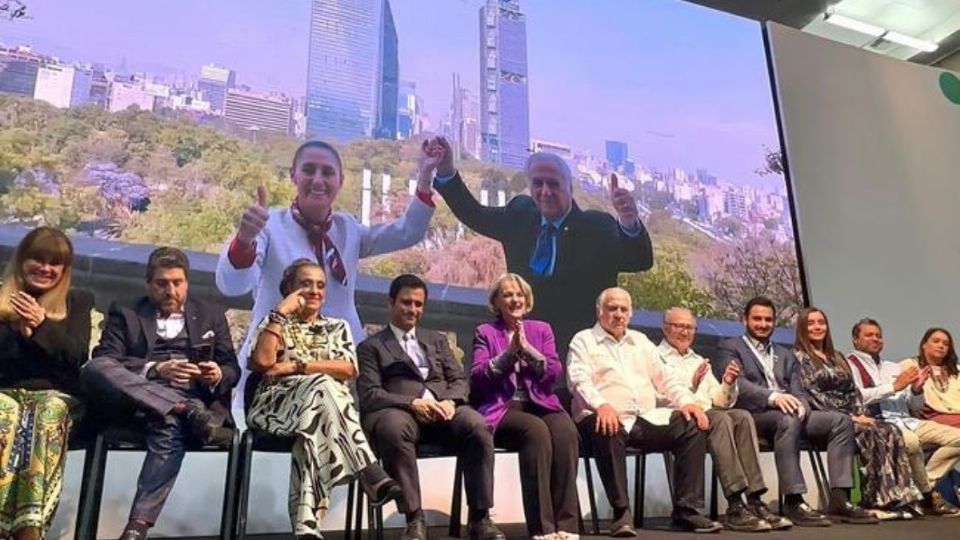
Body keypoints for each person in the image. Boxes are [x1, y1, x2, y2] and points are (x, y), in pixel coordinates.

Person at [216, 139, 438, 403]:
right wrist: (243, 240)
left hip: (340, 362)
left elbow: (406, 233)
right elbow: (233, 285)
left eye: (328, 172)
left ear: (341, 180)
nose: (318, 179)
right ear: (293, 175)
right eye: (309, 170)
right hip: (278, 360)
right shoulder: (270, 225)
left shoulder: (348, 229)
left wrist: (425, 178)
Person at [430, 137, 652, 359]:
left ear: (569, 188)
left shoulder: (596, 226)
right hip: (523, 346)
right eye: (538, 183)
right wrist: (447, 170)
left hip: (579, 351)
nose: (545, 191)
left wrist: (629, 222)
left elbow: (639, 260)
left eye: (553, 184)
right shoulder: (520, 215)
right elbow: (474, 214)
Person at [81, 247, 239, 540]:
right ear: (148, 284)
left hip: (193, 398)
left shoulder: (211, 315)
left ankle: (136, 528)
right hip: (136, 401)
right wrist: (155, 369)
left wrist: (217, 373)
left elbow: (232, 367)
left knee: (169, 423)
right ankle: (181, 408)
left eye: (177, 282)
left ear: (187, 282)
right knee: (94, 367)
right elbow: (107, 357)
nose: (171, 290)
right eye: (162, 283)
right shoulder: (126, 311)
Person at [246, 259, 402, 539]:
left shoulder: (337, 327)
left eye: (320, 285)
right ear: (288, 289)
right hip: (276, 407)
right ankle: (367, 468)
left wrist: (297, 367)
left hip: (318, 413)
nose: (315, 291)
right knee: (324, 387)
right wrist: (281, 314)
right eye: (305, 284)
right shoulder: (274, 323)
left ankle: (307, 527)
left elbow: (348, 368)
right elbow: (262, 361)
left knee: (312, 432)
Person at [356, 275, 504, 540]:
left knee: (477, 426)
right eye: (406, 303)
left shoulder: (436, 340)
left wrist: (450, 401)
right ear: (391, 302)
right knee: (393, 426)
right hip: (401, 413)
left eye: (418, 304)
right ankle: (415, 519)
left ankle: (480, 519)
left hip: (443, 411)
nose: (412, 310)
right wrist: (412, 403)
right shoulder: (371, 346)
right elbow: (370, 394)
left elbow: (459, 379)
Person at [567, 288, 720, 536]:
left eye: (623, 309)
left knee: (691, 423)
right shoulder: (583, 340)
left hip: (644, 418)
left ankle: (686, 509)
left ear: (631, 313)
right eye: (612, 308)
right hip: (601, 417)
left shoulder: (640, 341)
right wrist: (602, 405)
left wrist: (686, 402)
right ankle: (621, 513)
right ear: (599, 311)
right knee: (609, 424)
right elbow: (578, 380)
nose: (618, 314)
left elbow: (666, 378)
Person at [715, 296, 875, 526]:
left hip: (790, 414)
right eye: (757, 319)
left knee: (840, 421)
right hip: (753, 415)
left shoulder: (785, 353)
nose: (763, 324)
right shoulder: (731, 346)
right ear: (745, 320)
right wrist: (773, 397)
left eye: (768, 319)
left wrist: (801, 406)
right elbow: (737, 383)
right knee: (787, 420)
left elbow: (798, 388)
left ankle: (840, 499)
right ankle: (794, 499)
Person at [656, 308, 790, 531]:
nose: (684, 332)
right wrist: (691, 385)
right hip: (677, 419)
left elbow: (720, 401)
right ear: (665, 327)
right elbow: (656, 396)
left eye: (689, 327)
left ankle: (755, 499)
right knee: (722, 420)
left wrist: (728, 383)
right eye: (679, 326)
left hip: (708, 416)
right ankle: (735, 503)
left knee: (742, 416)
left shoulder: (697, 359)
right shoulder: (654, 356)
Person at [469, 273, 579, 540]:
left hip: (541, 403)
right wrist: (508, 354)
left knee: (565, 430)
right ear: (496, 301)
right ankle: (542, 528)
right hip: (504, 407)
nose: (514, 299)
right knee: (536, 432)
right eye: (507, 294)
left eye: (519, 294)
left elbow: (553, 371)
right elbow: (478, 375)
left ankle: (566, 525)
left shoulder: (542, 329)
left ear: (527, 301)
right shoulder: (486, 332)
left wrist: (527, 349)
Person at [0, 227, 93, 540]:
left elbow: (74, 356)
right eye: (38, 259)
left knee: (46, 413)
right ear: (22, 260)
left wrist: (40, 327)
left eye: (55, 263)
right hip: (6, 393)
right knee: (5, 412)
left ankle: (30, 526)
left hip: (55, 395)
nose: (45, 268)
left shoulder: (77, 301)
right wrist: (19, 333)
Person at [793, 308, 920, 516]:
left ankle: (895, 497)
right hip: (826, 416)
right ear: (802, 328)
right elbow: (810, 393)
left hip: (852, 413)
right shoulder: (798, 357)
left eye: (821, 322)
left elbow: (853, 391)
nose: (817, 327)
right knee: (872, 433)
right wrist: (851, 417)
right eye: (811, 323)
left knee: (890, 430)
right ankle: (873, 500)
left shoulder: (836, 356)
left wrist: (861, 413)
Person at [847, 319, 960, 516]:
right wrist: (892, 387)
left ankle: (922, 487)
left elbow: (913, 405)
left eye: (878, 335)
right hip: (880, 423)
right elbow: (856, 397)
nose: (875, 339)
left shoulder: (892, 367)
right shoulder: (850, 364)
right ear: (855, 340)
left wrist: (916, 390)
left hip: (908, 420)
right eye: (869, 335)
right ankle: (928, 494)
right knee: (912, 442)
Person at [908, 328, 960, 428]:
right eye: (936, 341)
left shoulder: (956, 370)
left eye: (946, 344)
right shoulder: (910, 365)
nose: (941, 346)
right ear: (924, 345)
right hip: (931, 416)